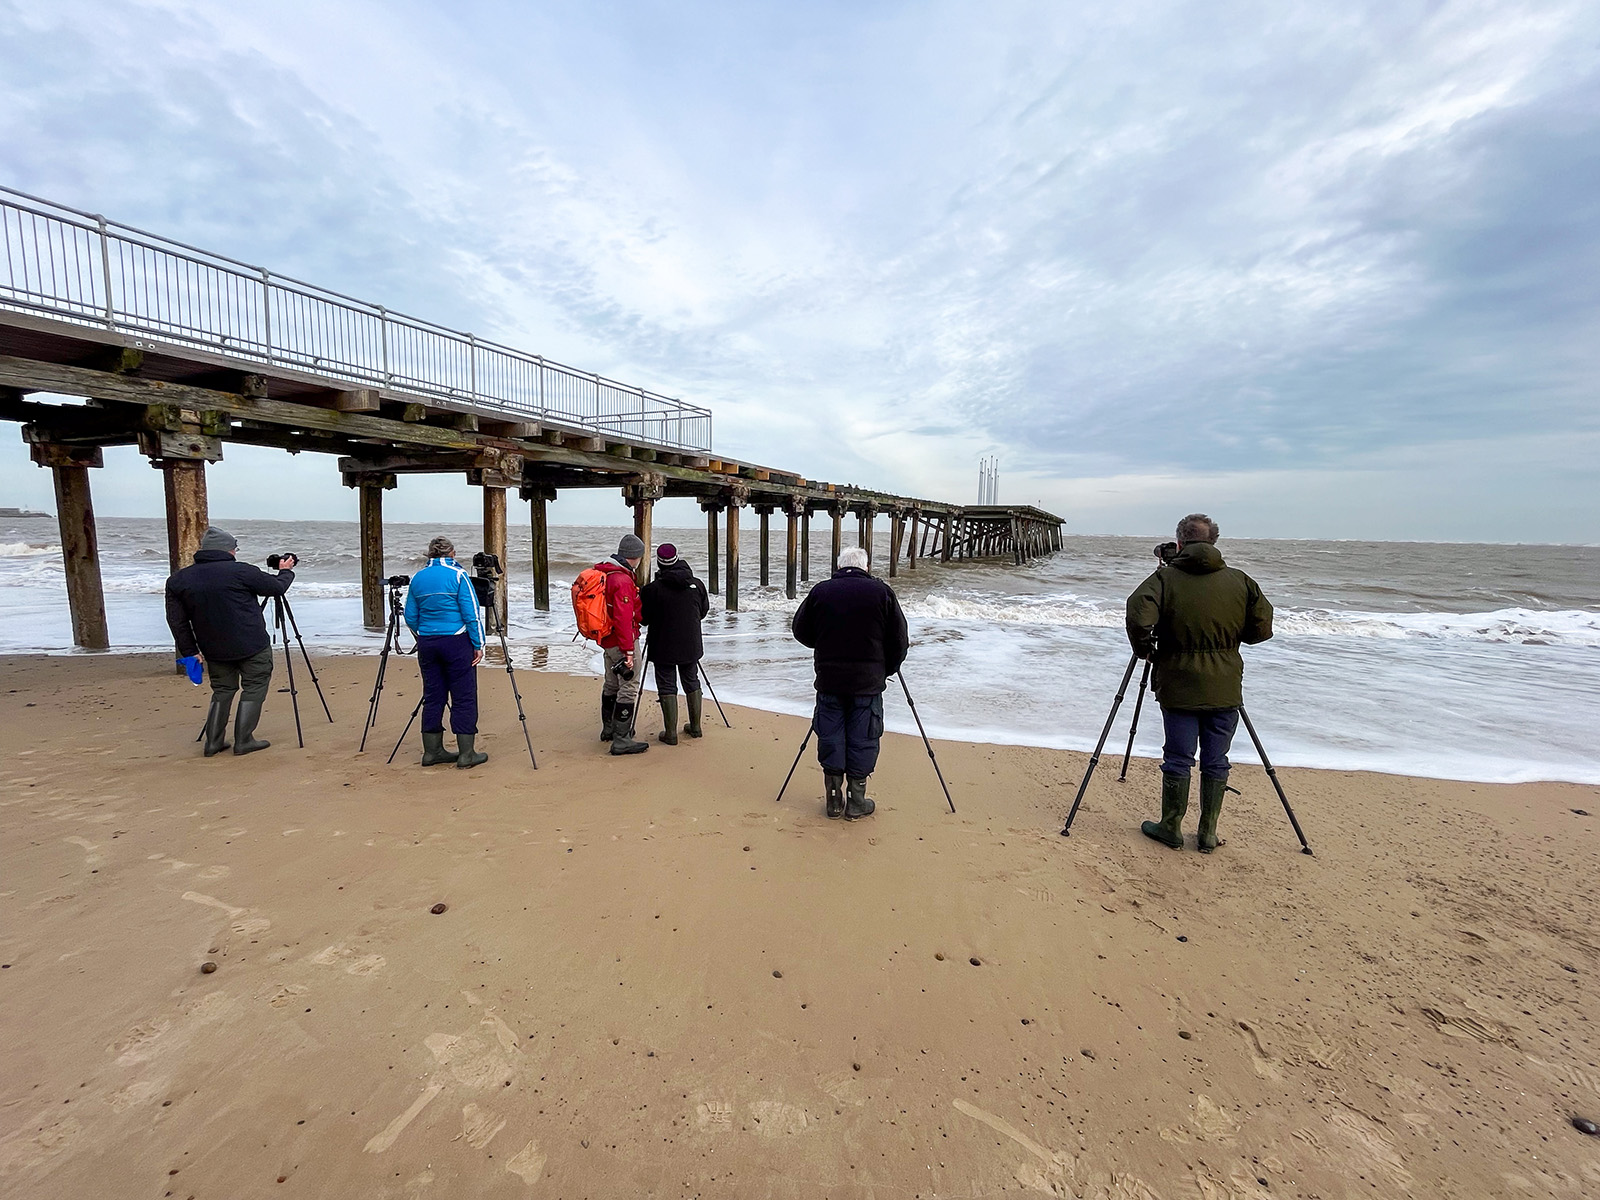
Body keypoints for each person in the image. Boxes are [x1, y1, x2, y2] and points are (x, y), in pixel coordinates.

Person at [1125, 513, 1273, 852]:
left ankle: (1171, 827)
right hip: (1225, 684)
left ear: (1179, 543)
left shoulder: (1164, 579)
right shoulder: (1241, 581)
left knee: (1178, 755)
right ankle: (1207, 833)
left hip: (1178, 683)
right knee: (1216, 758)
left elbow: (1137, 613)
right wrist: (1228, 641)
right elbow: (1261, 629)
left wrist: (1147, 650)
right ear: (1214, 543)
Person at [790, 545, 909, 820]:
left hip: (830, 679)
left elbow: (800, 629)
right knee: (864, 737)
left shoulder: (821, 591)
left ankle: (833, 800)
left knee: (830, 734)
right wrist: (888, 668)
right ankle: (856, 801)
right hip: (867, 683)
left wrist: (823, 643)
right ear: (866, 567)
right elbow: (899, 640)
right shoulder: (882, 593)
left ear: (840, 567)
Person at [164, 526, 297, 757]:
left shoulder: (178, 580)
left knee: (223, 690)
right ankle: (244, 740)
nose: (235, 552)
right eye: (235, 548)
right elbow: (275, 588)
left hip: (213, 647)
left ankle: (213, 742)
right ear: (229, 550)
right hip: (252, 643)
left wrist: (190, 651)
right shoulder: (242, 571)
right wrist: (286, 571)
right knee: (254, 686)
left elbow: (177, 622)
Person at [403, 536, 488, 768]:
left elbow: (410, 615)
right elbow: (471, 613)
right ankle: (466, 754)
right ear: (452, 553)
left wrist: (422, 634)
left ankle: (432, 752)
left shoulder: (418, 578)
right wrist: (478, 644)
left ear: (429, 554)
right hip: (456, 641)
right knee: (463, 697)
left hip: (428, 642)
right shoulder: (458, 575)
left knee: (433, 696)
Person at [639, 542, 711, 745]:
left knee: (667, 683)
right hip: (690, 643)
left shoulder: (652, 589)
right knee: (691, 680)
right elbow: (703, 612)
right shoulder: (696, 585)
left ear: (660, 564)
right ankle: (695, 727)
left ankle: (670, 733)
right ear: (678, 559)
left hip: (663, 644)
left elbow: (643, 619)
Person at [595, 533, 649, 756]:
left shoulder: (604, 573)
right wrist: (628, 651)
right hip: (621, 640)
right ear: (635, 557)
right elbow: (624, 619)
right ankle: (621, 738)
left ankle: (609, 729)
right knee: (628, 685)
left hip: (607, 639)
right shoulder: (622, 580)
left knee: (611, 683)